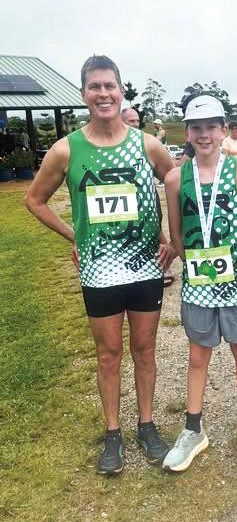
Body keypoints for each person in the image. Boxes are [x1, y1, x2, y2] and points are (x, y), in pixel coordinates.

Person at [26, 55, 176, 475]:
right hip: (99, 271)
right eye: (95, 86)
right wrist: (75, 236)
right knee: (108, 354)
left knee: (144, 350)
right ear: (83, 94)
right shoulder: (65, 149)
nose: (103, 93)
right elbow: (34, 201)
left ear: (121, 91)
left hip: (145, 268)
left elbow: (179, 186)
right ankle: (113, 432)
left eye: (110, 85)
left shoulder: (147, 144)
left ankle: (146, 425)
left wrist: (173, 242)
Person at [163, 95, 237, 472]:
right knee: (198, 356)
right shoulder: (175, 178)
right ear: (187, 132)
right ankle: (192, 430)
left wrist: (235, 263)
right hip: (198, 281)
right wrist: (199, 266)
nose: (204, 134)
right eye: (196, 127)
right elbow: (177, 235)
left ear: (224, 130)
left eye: (212, 126)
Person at [122, 107, 176, 287]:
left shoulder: (146, 142)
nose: (136, 124)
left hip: (146, 194)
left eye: (137, 121)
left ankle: (165, 264)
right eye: (131, 121)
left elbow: (171, 175)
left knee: (154, 226)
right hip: (122, 197)